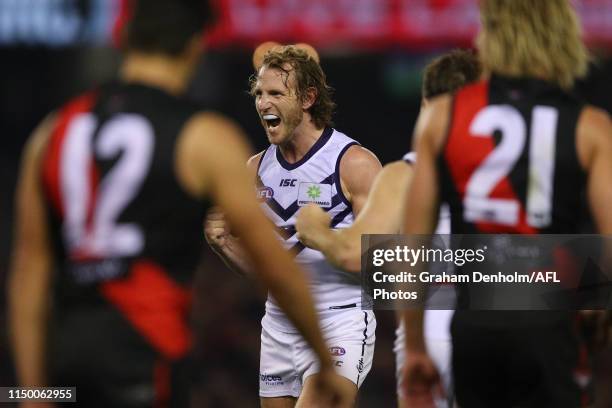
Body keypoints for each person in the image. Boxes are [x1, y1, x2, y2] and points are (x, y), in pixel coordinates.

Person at [7, 1, 352, 407]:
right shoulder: (204, 137)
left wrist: (31, 393)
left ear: (123, 38)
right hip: (148, 357)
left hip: (65, 364)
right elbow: (275, 266)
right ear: (196, 45)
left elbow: (29, 274)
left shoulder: (53, 132)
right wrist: (325, 363)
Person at [402, 1, 612, 407]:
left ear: (490, 35)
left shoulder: (441, 117)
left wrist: (414, 346)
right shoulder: (590, 127)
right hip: (551, 325)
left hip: (474, 326)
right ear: (562, 37)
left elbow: (414, 243)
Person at [295, 49, 482, 408]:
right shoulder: (519, 175)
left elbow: (354, 255)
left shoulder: (407, 174)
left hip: (434, 343)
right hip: (517, 336)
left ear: (427, 104)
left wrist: (316, 229)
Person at [205, 45, 382, 407]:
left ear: (307, 98)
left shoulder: (354, 164)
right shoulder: (254, 170)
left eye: (275, 93)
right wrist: (223, 244)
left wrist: (327, 239)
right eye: (259, 94)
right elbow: (266, 272)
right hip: (279, 326)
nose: (262, 103)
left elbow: (381, 260)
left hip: (340, 321)